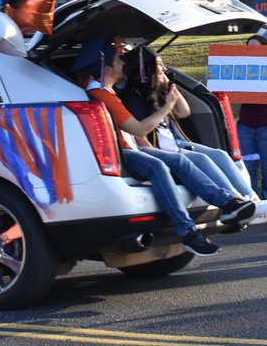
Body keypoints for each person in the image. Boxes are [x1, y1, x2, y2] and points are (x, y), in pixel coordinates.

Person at [77, 38, 256, 257]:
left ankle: (229, 202)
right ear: (106, 68)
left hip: (130, 148)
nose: (123, 63)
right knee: (157, 166)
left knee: (181, 159)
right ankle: (188, 231)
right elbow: (140, 129)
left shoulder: (102, 89)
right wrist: (169, 105)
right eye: (118, 60)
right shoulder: (101, 94)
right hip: (123, 152)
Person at [120, 45, 267, 224]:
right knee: (202, 159)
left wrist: (172, 91)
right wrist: (168, 106)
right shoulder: (133, 98)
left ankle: (253, 201)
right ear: (146, 70)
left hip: (176, 145)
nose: (164, 69)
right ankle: (237, 203)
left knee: (220, 154)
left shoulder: (159, 93)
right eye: (159, 65)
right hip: (162, 151)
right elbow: (141, 138)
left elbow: (184, 112)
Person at [236, 34, 267, 210]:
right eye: (249, 47)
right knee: (248, 169)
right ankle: (252, 207)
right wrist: (213, 75)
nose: (253, 50)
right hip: (245, 127)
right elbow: (222, 90)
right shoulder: (240, 67)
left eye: (257, 47)